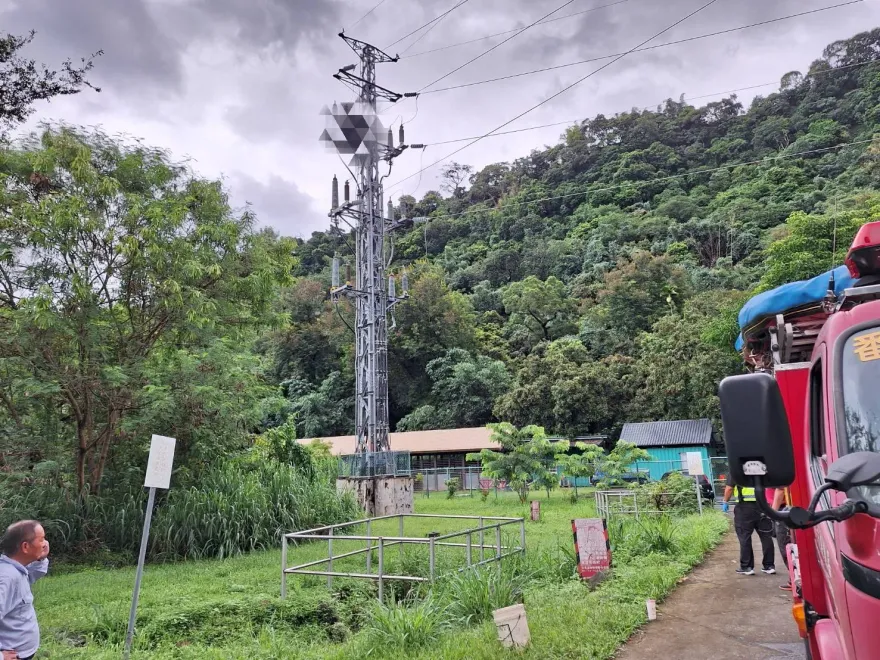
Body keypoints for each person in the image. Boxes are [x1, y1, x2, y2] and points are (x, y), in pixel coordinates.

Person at [0, 521, 50, 660]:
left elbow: (33, 574)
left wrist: (42, 558)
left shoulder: (17, 570)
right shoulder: (7, 578)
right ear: (26, 547)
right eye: (41, 539)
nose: (45, 544)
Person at [722, 476, 775, 576]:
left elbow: (729, 488)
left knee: (744, 537)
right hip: (763, 506)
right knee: (766, 536)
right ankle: (769, 566)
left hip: (744, 508)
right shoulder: (761, 468)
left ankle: (747, 567)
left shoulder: (737, 469)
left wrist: (725, 501)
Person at [773, 488, 793, 591]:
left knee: (786, 547)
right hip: (787, 509)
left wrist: (772, 513)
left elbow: (780, 490)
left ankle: (795, 581)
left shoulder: (780, 473)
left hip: (783, 510)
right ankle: (794, 579)